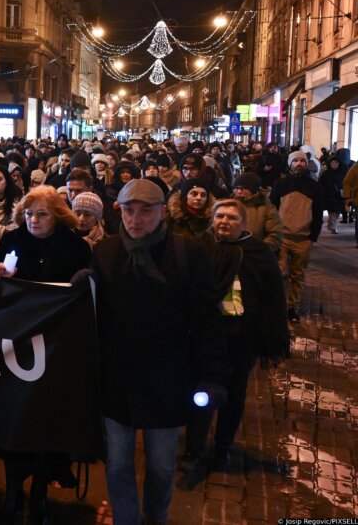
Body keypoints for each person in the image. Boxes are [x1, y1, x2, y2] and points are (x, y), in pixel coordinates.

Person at [92, 179, 226, 525]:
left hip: (166, 378)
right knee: (118, 462)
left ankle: (156, 516)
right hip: (118, 380)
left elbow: (208, 318)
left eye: (146, 211)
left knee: (163, 465)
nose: (136, 219)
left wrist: (212, 376)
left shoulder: (187, 253)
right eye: (128, 211)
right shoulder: (106, 252)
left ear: (162, 212)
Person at [0, 185, 92, 523]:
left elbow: (86, 295)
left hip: (55, 348)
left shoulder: (75, 246)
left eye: (42, 214)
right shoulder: (12, 240)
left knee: (46, 422)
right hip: (16, 345)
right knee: (14, 422)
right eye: (29, 214)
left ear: (57, 215)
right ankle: (13, 491)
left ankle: (40, 493)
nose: (34, 220)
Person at [180, 199, 290, 486]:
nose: (224, 222)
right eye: (220, 216)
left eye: (230, 217)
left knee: (234, 394)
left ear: (243, 222)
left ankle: (222, 446)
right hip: (206, 333)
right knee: (200, 390)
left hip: (241, 335)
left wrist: (270, 336)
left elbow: (272, 296)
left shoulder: (257, 252)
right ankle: (194, 449)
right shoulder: (201, 248)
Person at [271, 150, 324, 323]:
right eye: (296, 161)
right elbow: (272, 209)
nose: (299, 163)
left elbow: (317, 215)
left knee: (297, 275)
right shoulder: (280, 184)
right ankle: (276, 305)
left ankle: (293, 307)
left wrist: (312, 238)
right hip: (282, 238)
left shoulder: (314, 187)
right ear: (290, 163)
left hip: (303, 239)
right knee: (278, 273)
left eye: (302, 160)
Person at [231, 172, 283, 255]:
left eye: (243, 188)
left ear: (253, 189)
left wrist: (258, 250)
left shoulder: (267, 208)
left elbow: (275, 235)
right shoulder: (229, 205)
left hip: (255, 255)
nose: (239, 192)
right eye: (236, 188)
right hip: (231, 254)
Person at [320, 156, 346, 234]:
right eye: (332, 162)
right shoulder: (326, 173)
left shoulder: (343, 173)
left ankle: (331, 224)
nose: (334, 164)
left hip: (339, 196)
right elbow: (321, 184)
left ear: (339, 163)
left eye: (336, 162)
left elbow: (346, 183)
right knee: (332, 212)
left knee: (337, 212)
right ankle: (333, 227)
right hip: (329, 196)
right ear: (329, 164)